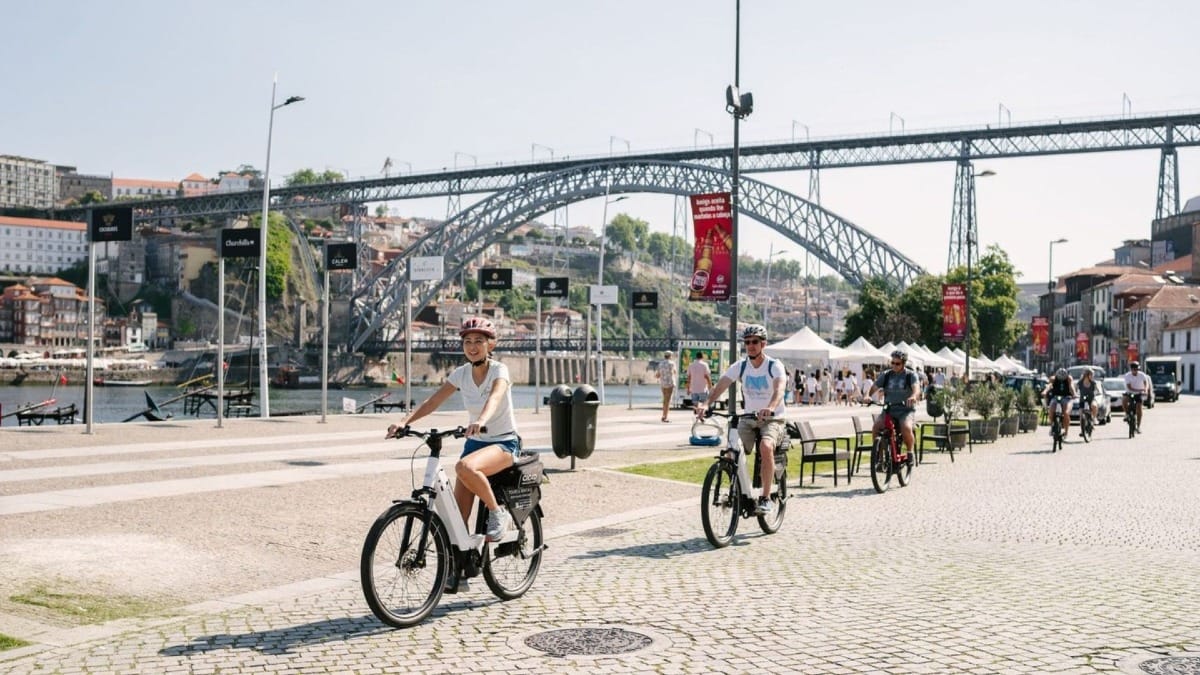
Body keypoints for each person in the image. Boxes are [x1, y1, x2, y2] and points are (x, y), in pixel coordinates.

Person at [387, 316, 519, 546]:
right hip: (475, 444)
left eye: (479, 340)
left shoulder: (500, 370)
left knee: (464, 466)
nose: (473, 347)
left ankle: (498, 513)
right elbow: (433, 401)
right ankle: (458, 573)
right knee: (456, 520)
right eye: (467, 342)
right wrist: (404, 422)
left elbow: (495, 397)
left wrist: (480, 420)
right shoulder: (461, 373)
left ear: (491, 344)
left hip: (504, 443)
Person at [694, 324, 788, 515]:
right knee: (731, 451)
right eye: (747, 342)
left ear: (763, 344)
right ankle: (738, 489)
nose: (750, 345)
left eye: (755, 342)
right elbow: (721, 385)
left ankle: (766, 497)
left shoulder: (773, 365)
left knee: (766, 447)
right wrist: (706, 403)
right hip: (748, 417)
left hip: (772, 419)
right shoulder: (741, 366)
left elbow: (779, 389)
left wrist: (770, 407)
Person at [868, 350, 921, 458]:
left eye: (897, 363)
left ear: (903, 364)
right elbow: (874, 387)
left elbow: (916, 389)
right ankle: (879, 457)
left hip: (905, 410)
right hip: (889, 410)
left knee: (906, 427)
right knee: (876, 427)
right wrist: (867, 396)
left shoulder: (910, 375)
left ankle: (910, 453)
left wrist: (913, 396)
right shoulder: (886, 375)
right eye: (892, 363)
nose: (894, 366)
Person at [1041, 368, 1076, 437]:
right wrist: (1045, 391)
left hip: (1067, 397)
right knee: (1051, 411)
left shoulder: (1069, 378)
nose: (1062, 379)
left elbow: (1071, 386)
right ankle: (1052, 426)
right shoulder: (1053, 379)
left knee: (1066, 413)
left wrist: (1074, 393)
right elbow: (1049, 385)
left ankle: (1066, 431)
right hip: (1056, 397)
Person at [1123, 360, 1152, 433]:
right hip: (1130, 392)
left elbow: (1146, 384)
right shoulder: (1127, 376)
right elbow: (1129, 387)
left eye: (1137, 369)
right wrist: (1140, 389)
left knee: (1139, 407)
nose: (1135, 371)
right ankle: (1127, 414)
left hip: (1139, 393)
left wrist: (1145, 390)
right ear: (1131, 369)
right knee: (1124, 400)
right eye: (1134, 369)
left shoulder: (1142, 375)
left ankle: (1138, 426)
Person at [657, 351, 678, 422]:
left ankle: (663, 415)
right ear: (670, 356)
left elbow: (658, 374)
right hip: (670, 383)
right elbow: (674, 372)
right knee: (668, 400)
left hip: (663, 383)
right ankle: (665, 417)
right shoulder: (672, 363)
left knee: (664, 399)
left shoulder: (661, 363)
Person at [1077, 369, 1099, 435]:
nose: (1092, 376)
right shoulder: (1080, 382)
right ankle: (1082, 430)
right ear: (1087, 375)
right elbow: (1075, 388)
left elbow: (1097, 390)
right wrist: (1075, 393)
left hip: (1091, 399)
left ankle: (1094, 418)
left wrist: (1097, 392)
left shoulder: (1093, 383)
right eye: (1091, 375)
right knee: (1081, 415)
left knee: (1094, 406)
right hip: (1082, 400)